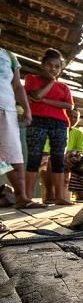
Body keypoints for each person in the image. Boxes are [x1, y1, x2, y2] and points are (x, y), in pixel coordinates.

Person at [25, 48, 74, 206]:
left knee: (59, 159)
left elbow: (69, 105)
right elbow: (36, 95)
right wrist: (52, 82)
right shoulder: (32, 79)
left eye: (57, 66)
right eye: (49, 65)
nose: (53, 69)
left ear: (60, 68)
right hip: (37, 120)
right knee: (34, 158)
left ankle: (60, 197)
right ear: (42, 65)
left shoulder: (64, 87)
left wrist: (45, 101)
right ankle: (27, 198)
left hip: (59, 123)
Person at [0, 42, 40, 209]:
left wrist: (27, 109)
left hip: (7, 109)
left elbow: (17, 86)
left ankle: (22, 198)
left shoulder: (9, 55)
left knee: (14, 156)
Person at [62, 108, 83, 201]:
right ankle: (52, 194)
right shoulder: (57, 129)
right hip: (56, 156)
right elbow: (47, 150)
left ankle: (80, 192)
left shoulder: (78, 133)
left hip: (71, 156)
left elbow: (80, 150)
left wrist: (72, 156)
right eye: (70, 116)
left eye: (75, 117)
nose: (72, 119)